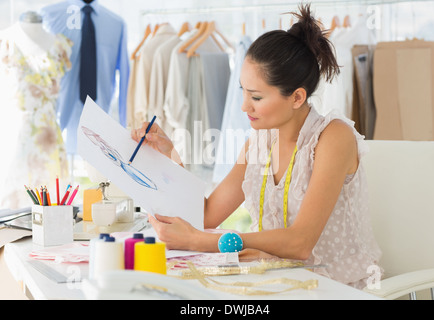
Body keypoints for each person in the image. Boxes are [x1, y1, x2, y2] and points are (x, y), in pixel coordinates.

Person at [131, 4, 382, 289]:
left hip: (335, 287)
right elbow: (205, 214)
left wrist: (208, 242)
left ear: (297, 97)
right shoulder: (258, 145)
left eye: (257, 97)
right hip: (277, 282)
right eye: (243, 91)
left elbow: (301, 243)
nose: (244, 106)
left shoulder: (334, 138)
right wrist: (169, 155)